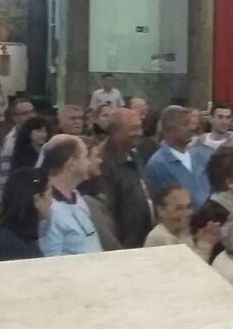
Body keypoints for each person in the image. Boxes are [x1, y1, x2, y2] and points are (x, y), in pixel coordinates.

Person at [38, 135, 102, 256]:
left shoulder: (77, 197)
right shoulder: (48, 209)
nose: (89, 163)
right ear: (71, 164)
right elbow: (50, 260)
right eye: (85, 157)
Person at [100, 108, 154, 248]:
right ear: (115, 131)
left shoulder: (134, 155)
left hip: (143, 239)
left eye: (140, 127)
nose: (139, 133)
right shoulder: (105, 162)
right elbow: (108, 210)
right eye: (133, 129)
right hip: (125, 245)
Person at [145, 105, 213, 213]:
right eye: (185, 124)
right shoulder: (157, 164)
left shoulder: (200, 155)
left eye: (191, 123)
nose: (192, 128)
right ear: (168, 127)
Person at [0, 168, 50, 262]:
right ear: (37, 200)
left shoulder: (23, 237)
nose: (51, 201)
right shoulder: (6, 243)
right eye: (50, 194)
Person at [144, 185, 222, 261]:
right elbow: (190, 268)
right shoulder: (161, 238)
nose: (186, 213)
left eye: (188, 207)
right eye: (178, 209)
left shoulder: (183, 232)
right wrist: (205, 243)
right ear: (161, 210)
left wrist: (198, 240)